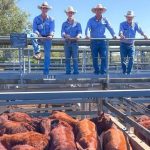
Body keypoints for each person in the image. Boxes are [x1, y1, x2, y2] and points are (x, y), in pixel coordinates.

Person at [85, 4, 116, 75]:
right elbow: (87, 28)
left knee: (104, 57)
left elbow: (110, 28)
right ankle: (96, 71)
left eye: (100, 10)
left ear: (102, 11)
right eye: (97, 10)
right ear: (95, 11)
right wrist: (86, 35)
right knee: (94, 57)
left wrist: (114, 35)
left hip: (102, 41)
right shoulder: (91, 20)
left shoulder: (105, 19)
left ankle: (103, 72)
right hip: (94, 41)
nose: (99, 11)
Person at [119, 10, 148, 75]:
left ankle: (129, 72)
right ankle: (124, 72)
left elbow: (140, 31)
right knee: (123, 59)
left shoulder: (135, 24)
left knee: (131, 58)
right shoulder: (122, 24)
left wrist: (144, 35)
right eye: (128, 17)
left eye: (131, 17)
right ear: (126, 17)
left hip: (131, 45)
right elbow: (120, 31)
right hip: (123, 44)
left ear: (133, 17)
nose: (129, 18)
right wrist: (121, 35)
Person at [31, 1, 55, 76]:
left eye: (46, 8)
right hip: (39, 37)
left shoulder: (51, 19)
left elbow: (52, 30)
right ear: (41, 9)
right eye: (43, 8)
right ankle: (38, 52)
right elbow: (34, 29)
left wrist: (51, 35)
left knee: (47, 55)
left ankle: (46, 72)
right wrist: (40, 36)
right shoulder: (36, 19)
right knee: (32, 35)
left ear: (47, 9)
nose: (44, 9)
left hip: (47, 38)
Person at [61, 6, 82, 74]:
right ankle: (68, 72)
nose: (70, 14)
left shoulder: (78, 23)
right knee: (67, 59)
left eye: (71, 13)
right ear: (67, 14)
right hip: (67, 43)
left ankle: (76, 72)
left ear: (73, 14)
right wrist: (65, 35)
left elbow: (80, 32)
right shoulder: (64, 24)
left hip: (74, 43)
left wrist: (78, 36)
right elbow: (62, 32)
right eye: (69, 13)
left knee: (75, 59)